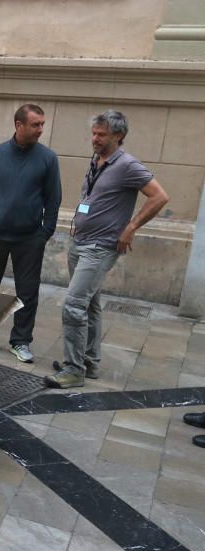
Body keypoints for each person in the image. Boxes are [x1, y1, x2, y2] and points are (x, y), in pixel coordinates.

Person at [45, 110, 170, 388]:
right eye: (94, 133)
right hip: (80, 241)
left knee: (74, 305)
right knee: (89, 304)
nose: (95, 138)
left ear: (119, 135)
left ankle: (73, 369)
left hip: (100, 247)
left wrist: (132, 226)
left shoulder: (128, 165)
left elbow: (160, 196)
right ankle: (88, 360)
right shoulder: (98, 160)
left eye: (101, 135)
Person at [0, 104, 62, 364]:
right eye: (36, 125)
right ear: (18, 125)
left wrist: (44, 233)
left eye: (42, 124)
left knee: (28, 293)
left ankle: (20, 341)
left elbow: (53, 198)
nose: (41, 130)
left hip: (29, 238)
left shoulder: (47, 158)